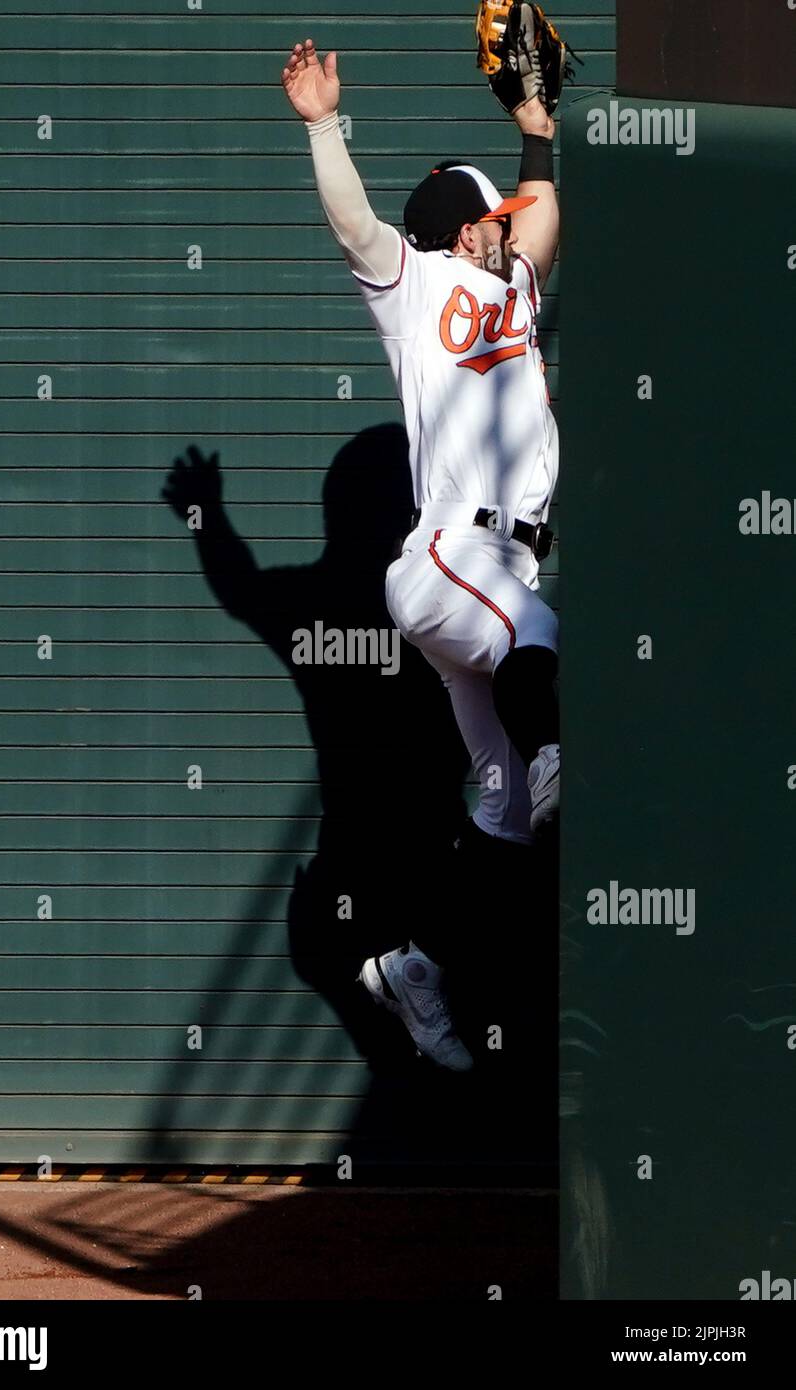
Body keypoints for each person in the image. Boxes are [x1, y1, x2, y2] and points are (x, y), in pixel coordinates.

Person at [281, 36, 560, 1070]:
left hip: (504, 572)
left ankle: (416, 963)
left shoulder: (516, 293)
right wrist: (323, 125)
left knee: (505, 808)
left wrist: (536, 137)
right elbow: (355, 224)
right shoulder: (420, 286)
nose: (507, 230)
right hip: (450, 559)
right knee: (542, 649)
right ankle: (560, 752)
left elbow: (545, 219)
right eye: (492, 219)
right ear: (460, 228)